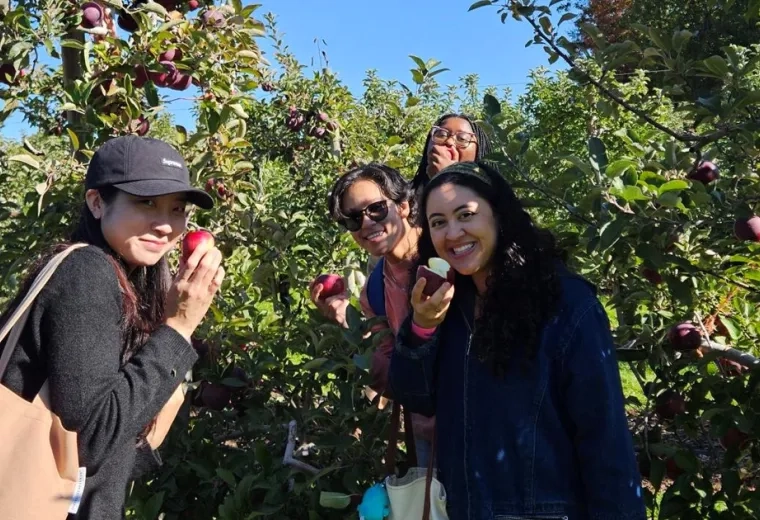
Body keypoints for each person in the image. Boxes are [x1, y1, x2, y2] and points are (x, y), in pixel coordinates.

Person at [389, 161, 646, 519]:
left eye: (466, 214)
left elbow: (605, 440)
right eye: (438, 223)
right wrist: (422, 327)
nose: (453, 233)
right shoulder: (446, 303)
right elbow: (414, 396)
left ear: (499, 214)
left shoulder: (565, 305)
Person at [0, 135, 225, 519]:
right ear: (97, 202)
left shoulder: (127, 279)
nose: (164, 225)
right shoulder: (87, 273)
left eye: (176, 209)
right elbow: (94, 436)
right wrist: (178, 327)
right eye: (146, 202)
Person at [311, 163, 435, 467]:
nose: (366, 223)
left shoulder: (445, 256)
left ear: (403, 206)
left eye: (377, 209)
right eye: (354, 219)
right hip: (427, 432)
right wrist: (347, 320)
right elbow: (388, 368)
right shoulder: (375, 290)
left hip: (481, 422)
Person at [410, 113, 493, 194]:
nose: (449, 141)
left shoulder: (490, 201)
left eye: (462, 138)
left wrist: (446, 177)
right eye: (441, 134)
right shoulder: (404, 196)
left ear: (478, 150)